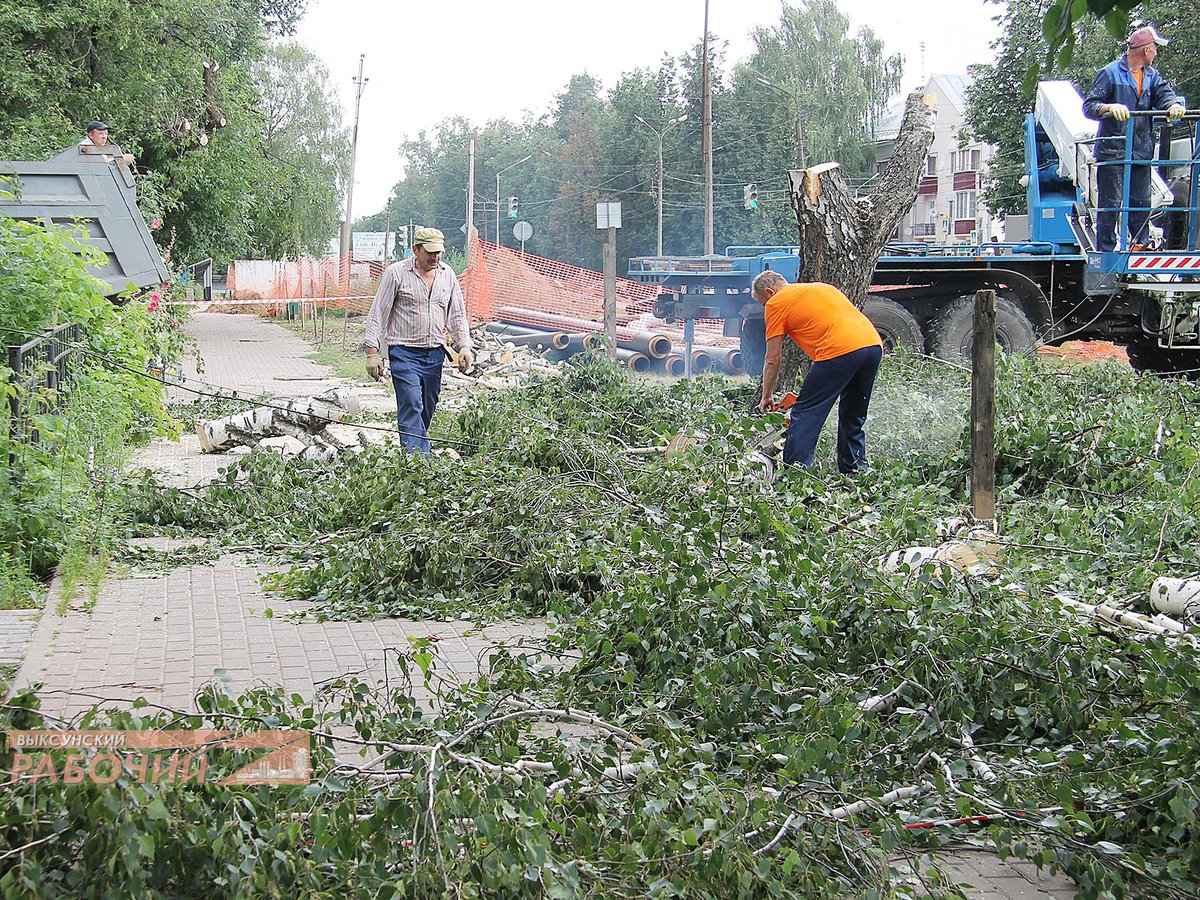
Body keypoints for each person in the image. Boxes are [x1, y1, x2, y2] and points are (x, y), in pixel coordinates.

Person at [752, 271, 883, 473]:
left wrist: (767, 395)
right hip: (872, 345)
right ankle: (856, 473)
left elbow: (773, 359)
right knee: (853, 414)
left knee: (805, 412)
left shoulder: (775, 302)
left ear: (770, 292)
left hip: (839, 349)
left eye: (762, 303)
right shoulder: (822, 287)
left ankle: (796, 475)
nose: (764, 308)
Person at [363, 227, 473, 453]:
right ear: (415, 249)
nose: (435, 257)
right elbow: (378, 313)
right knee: (411, 402)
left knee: (427, 408)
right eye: (429, 252)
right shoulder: (396, 273)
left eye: (439, 252)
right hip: (403, 352)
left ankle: (414, 451)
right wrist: (372, 353)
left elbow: (457, 315)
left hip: (434, 354)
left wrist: (464, 346)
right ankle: (419, 464)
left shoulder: (447, 275)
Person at [1083, 25, 1185, 252]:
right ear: (1147, 49)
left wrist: (1174, 105)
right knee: (1111, 204)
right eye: (1156, 48)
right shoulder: (1109, 73)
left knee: (1140, 202)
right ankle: (1106, 251)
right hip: (1114, 151)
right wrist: (1108, 107)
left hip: (1140, 150)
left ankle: (1141, 243)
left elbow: (1165, 95)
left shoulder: (1152, 76)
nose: (1157, 53)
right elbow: (1089, 106)